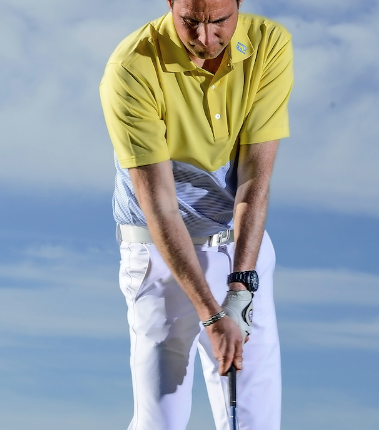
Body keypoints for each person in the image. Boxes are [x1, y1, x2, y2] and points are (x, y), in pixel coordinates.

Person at [100, 0, 293, 428]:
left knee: (255, 422)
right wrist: (212, 314)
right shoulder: (131, 67)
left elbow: (254, 181)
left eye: (220, 21)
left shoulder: (268, 43)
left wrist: (240, 288)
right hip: (160, 256)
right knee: (162, 421)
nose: (205, 39)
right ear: (171, 4)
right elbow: (160, 207)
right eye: (190, 21)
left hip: (242, 250)